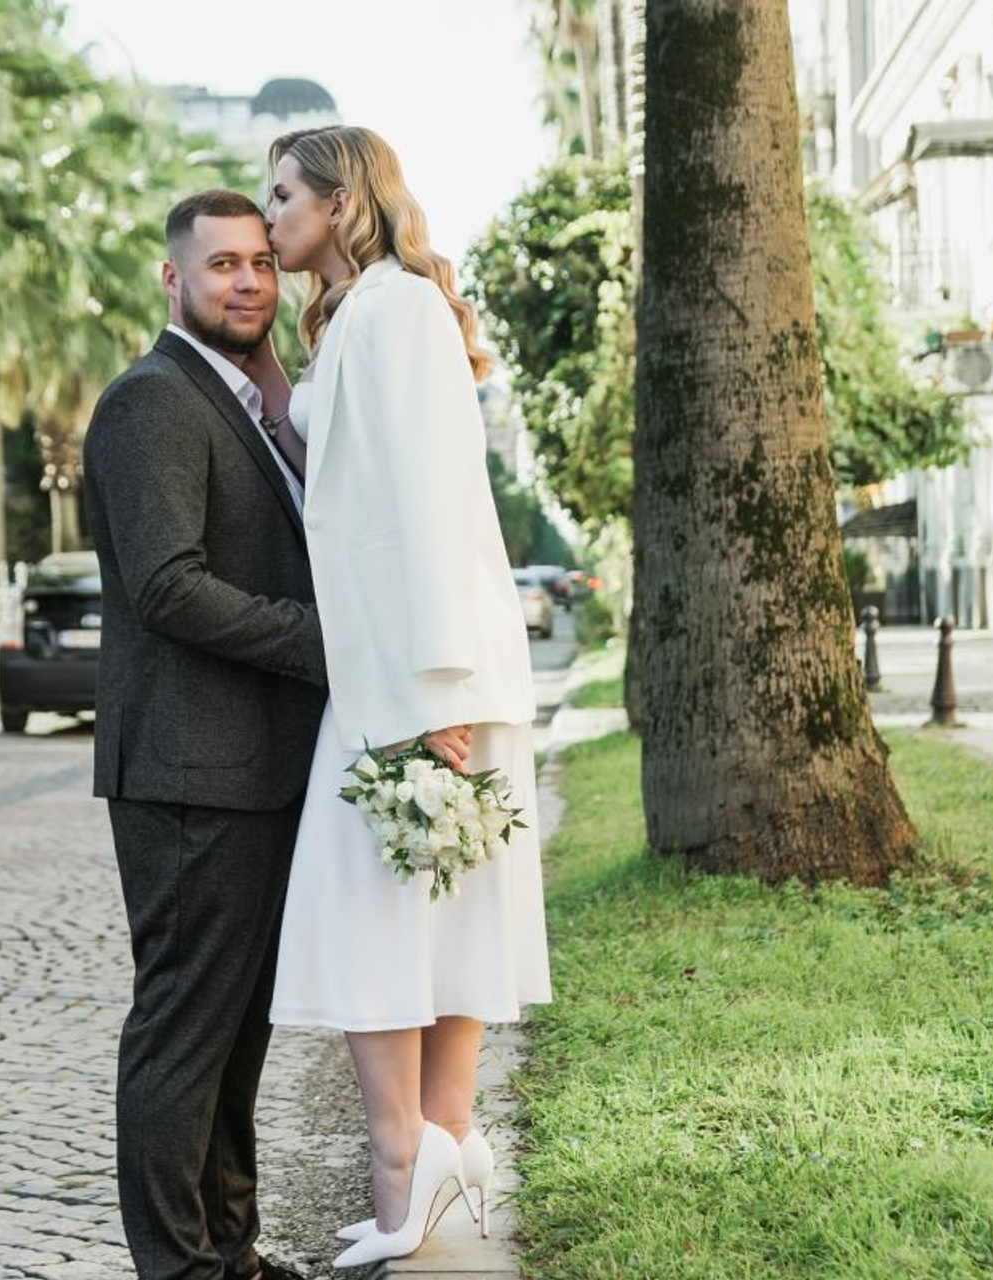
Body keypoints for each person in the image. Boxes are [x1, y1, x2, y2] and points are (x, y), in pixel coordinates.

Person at [257, 127, 553, 1270]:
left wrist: (440, 688)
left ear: (339, 201)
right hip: (393, 665)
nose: (269, 216)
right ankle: (444, 1145)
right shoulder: (358, 317)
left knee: (372, 914)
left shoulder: (400, 310)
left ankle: (404, 1160)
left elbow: (433, 501)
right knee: (427, 911)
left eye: (283, 195)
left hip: (421, 672)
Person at [82, 189, 326, 1280]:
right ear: (172, 278)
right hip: (191, 771)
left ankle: (231, 1252)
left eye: (261, 262)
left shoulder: (247, 399)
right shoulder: (153, 401)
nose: (247, 281)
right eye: (222, 263)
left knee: (236, 1032)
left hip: (252, 769)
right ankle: (177, 1266)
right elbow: (168, 586)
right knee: (184, 1028)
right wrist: (325, 642)